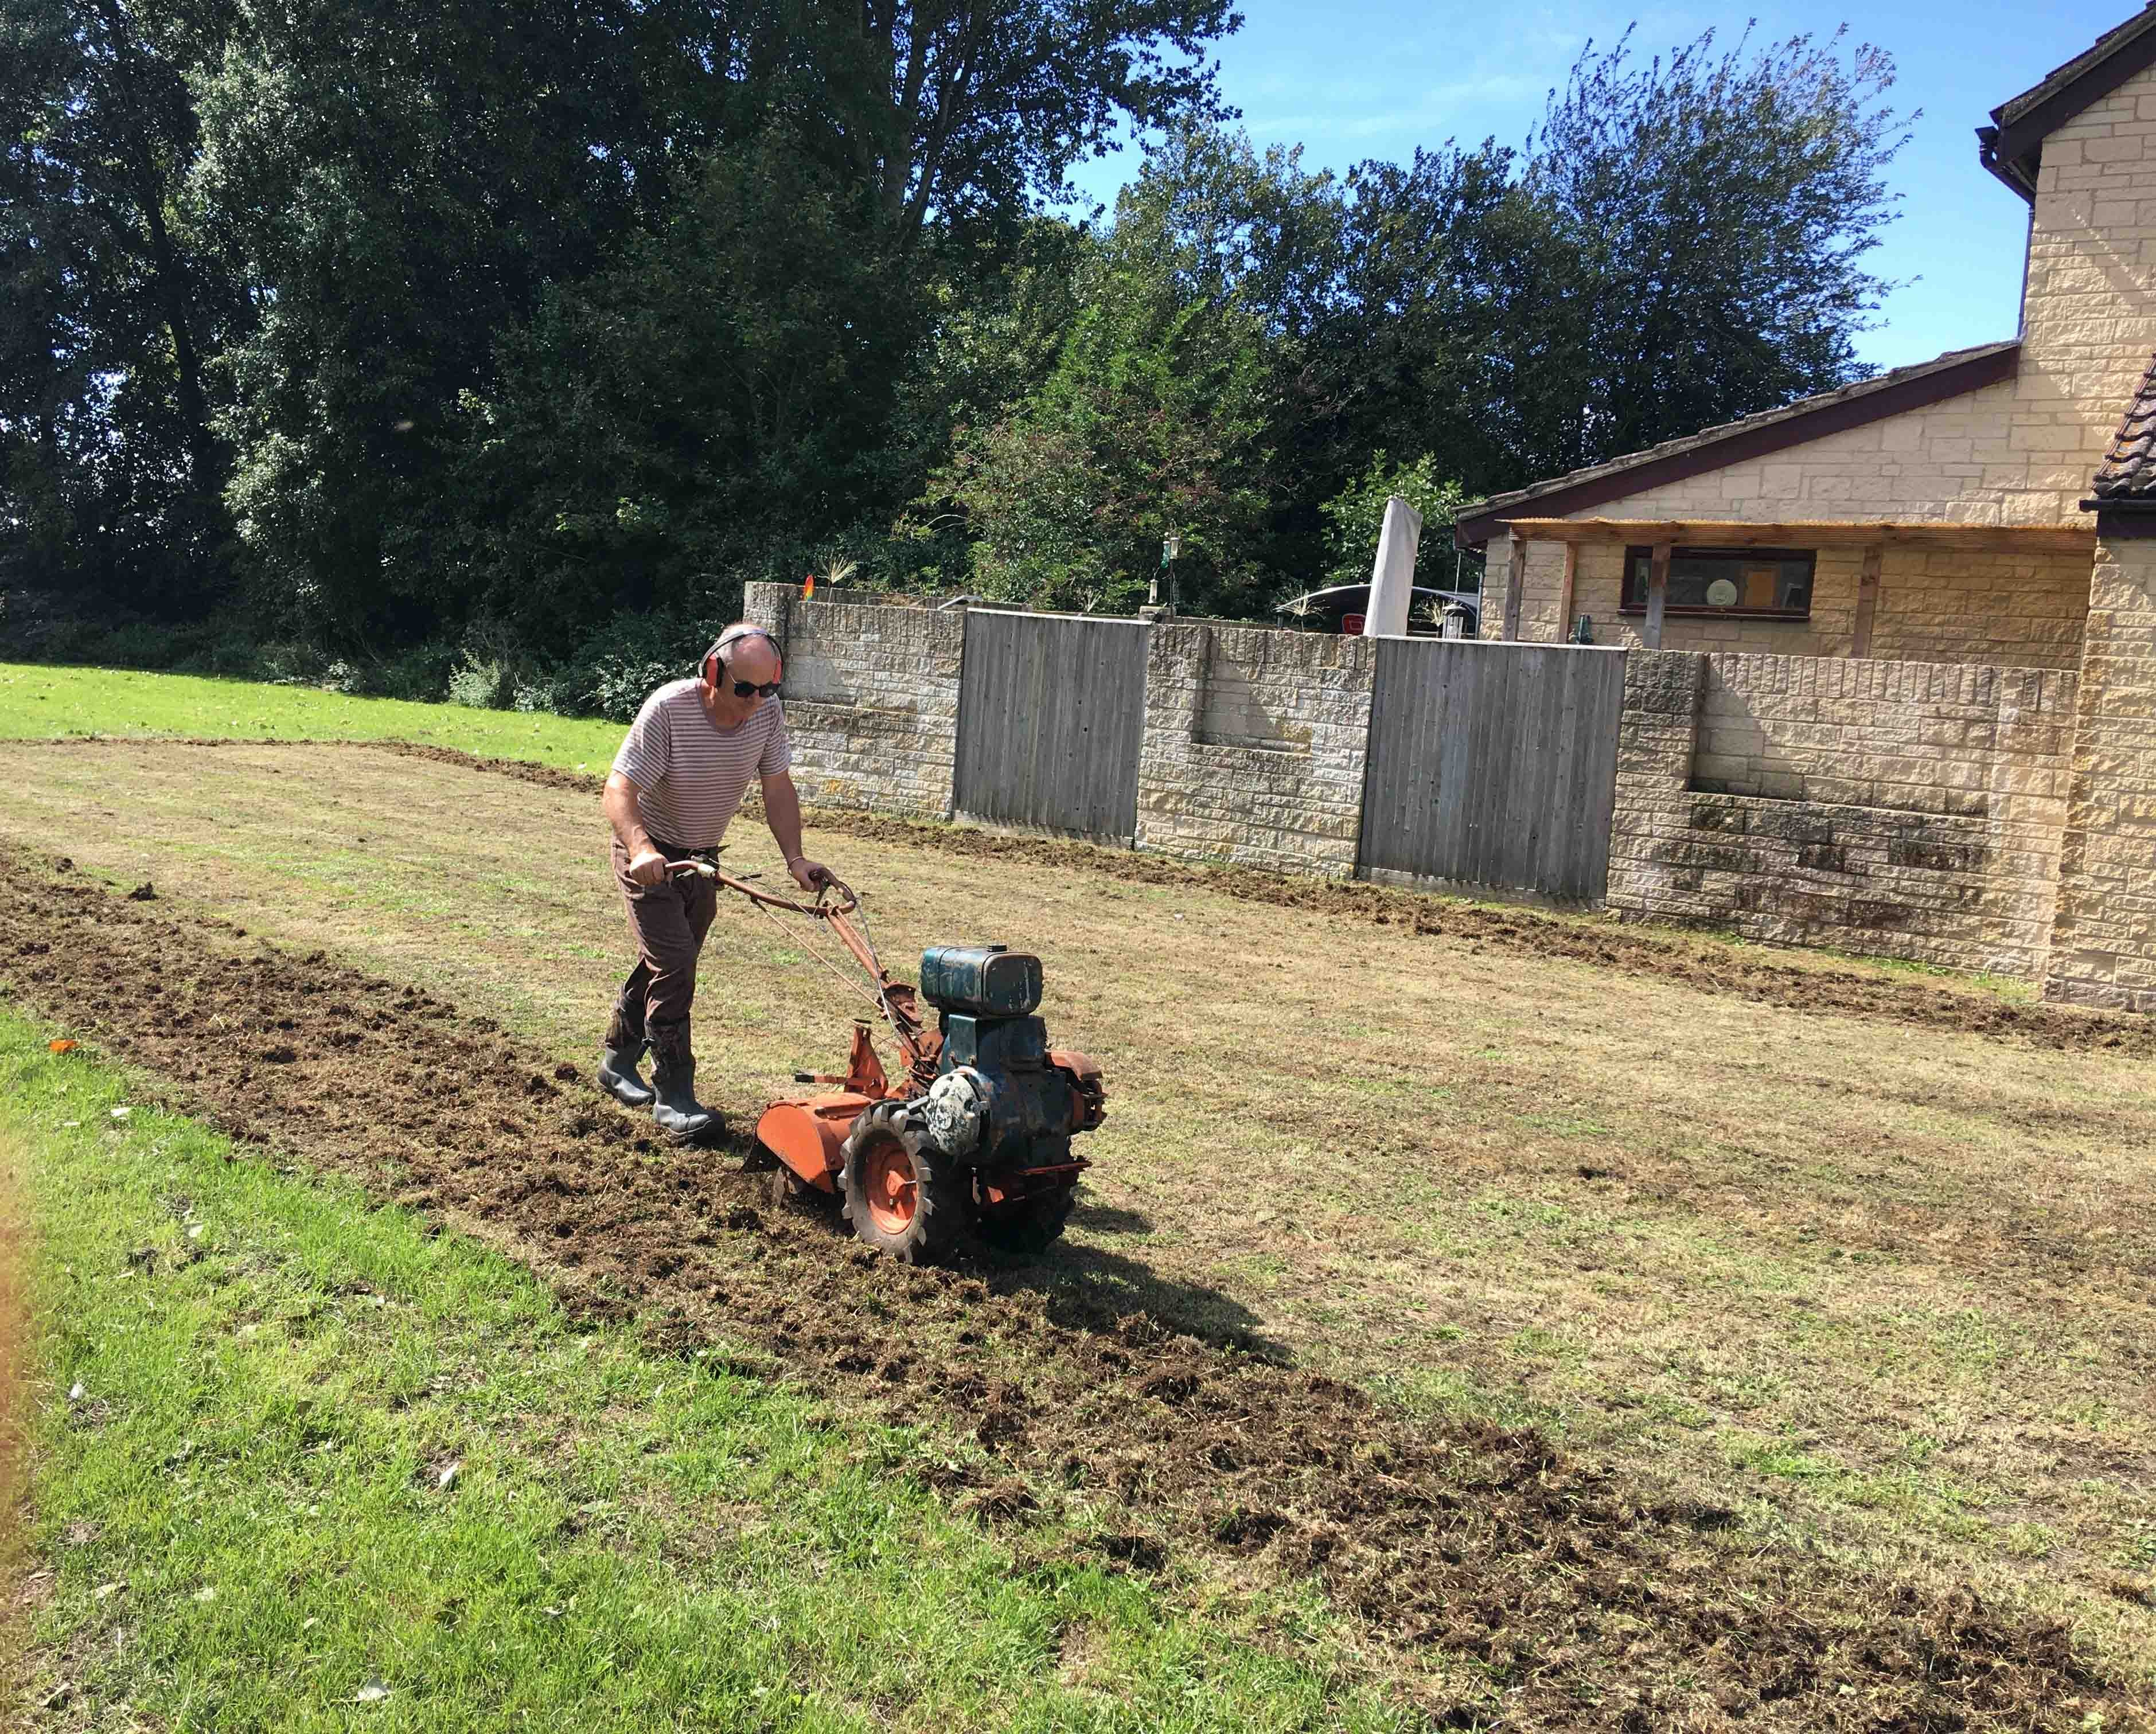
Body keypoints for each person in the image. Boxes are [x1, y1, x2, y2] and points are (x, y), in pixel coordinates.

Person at [599, 623, 834, 1141]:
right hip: (650, 854)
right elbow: (618, 788)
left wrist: (795, 859)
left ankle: (616, 1060)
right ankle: (674, 1094)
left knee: (669, 963)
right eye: (744, 688)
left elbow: (777, 786)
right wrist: (640, 849)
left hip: (702, 859)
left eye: (768, 689)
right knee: (675, 963)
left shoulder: (767, 713)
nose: (755, 700)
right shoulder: (670, 709)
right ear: (712, 673)